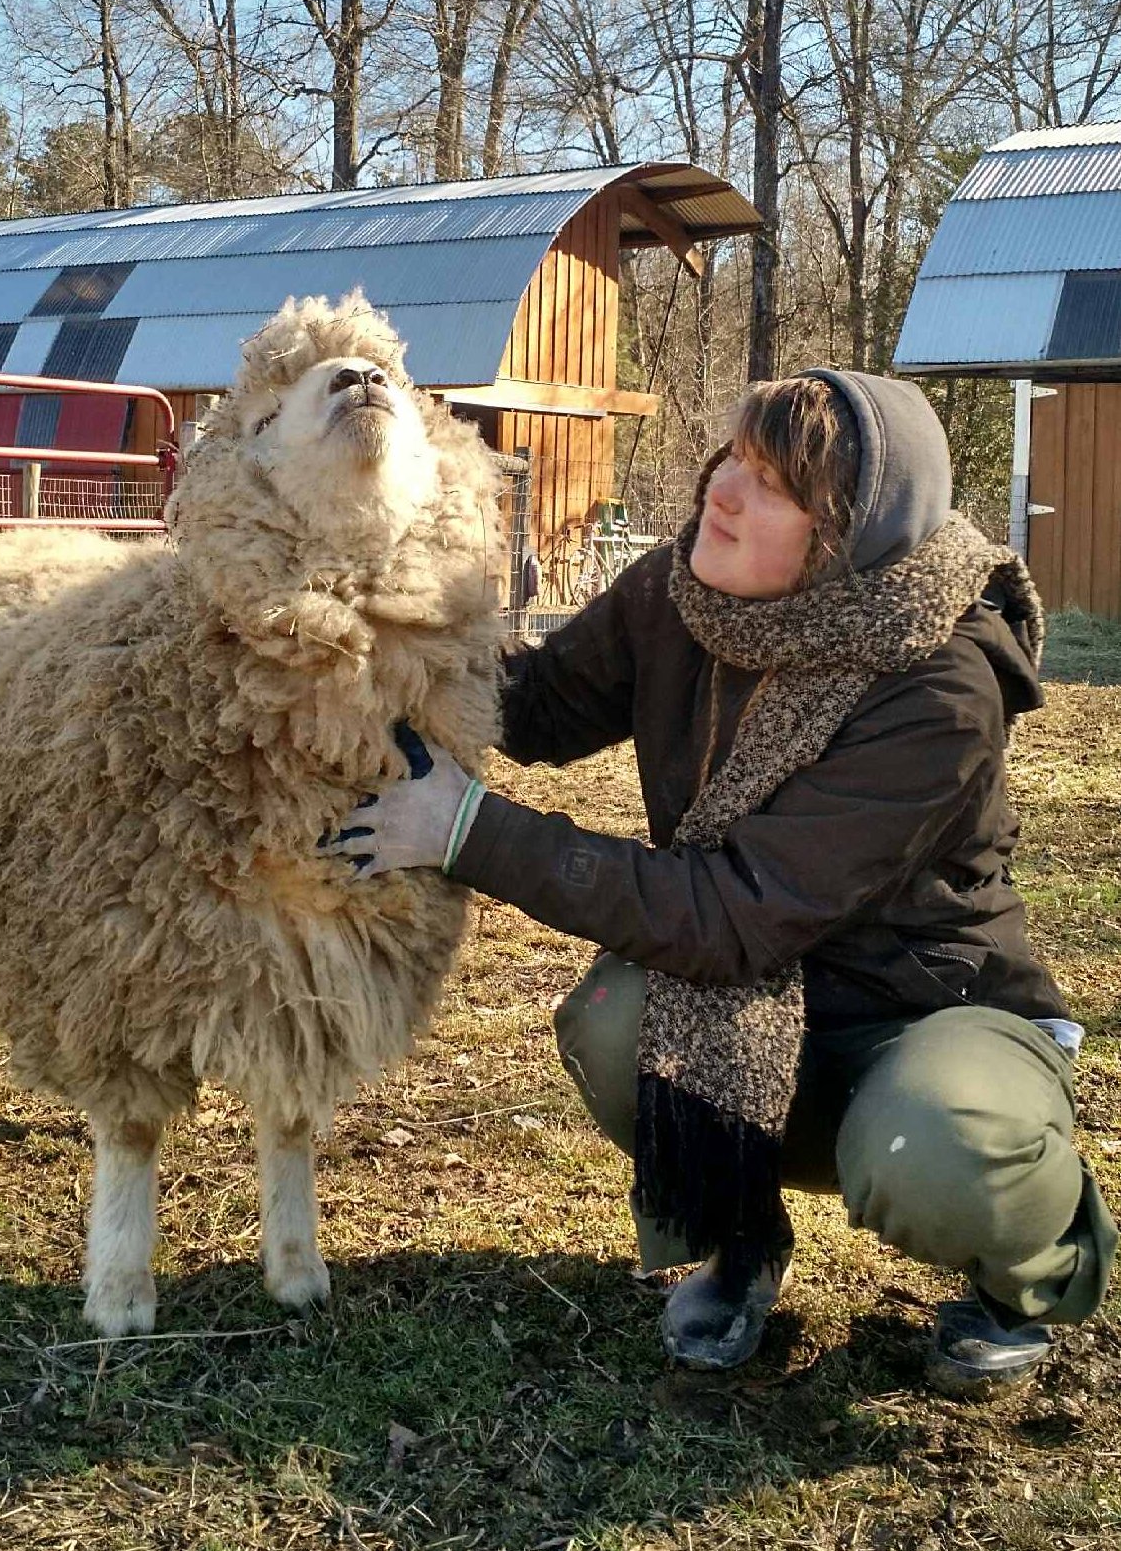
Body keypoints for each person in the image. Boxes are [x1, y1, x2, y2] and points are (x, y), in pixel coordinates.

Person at [324, 370, 1117, 1395]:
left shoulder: (937, 687)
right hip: (748, 1001)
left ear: (843, 544)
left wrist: (466, 829)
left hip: (919, 1012)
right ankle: (736, 1236)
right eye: (733, 460)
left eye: (774, 486)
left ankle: (1035, 1263)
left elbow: (733, 910)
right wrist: (380, 633)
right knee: (614, 1016)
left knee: (937, 1146)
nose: (724, 495)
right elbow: (535, 706)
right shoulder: (680, 592)